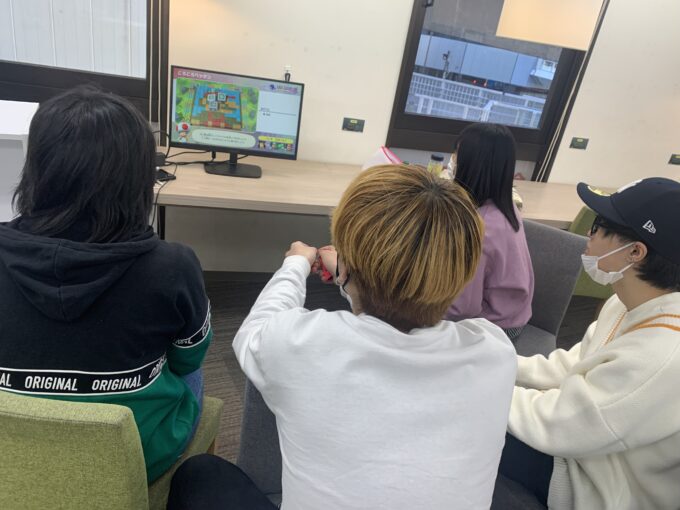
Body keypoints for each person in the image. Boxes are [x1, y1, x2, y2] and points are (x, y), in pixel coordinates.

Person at [168, 164, 517, 510]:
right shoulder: (496, 353)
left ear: (348, 264)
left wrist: (296, 263)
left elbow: (256, 328)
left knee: (199, 475)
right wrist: (349, 275)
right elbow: (403, 305)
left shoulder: (305, 346)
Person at [0, 86, 212, 482]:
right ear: (139, 177)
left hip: (10, 456)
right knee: (194, 369)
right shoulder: (173, 266)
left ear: (37, 168)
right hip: (131, 458)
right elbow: (188, 360)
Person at [497, 178, 680, 509]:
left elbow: (560, 423)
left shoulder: (662, 356)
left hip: (597, 486)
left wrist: (479, 387)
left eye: (598, 227)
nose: (588, 236)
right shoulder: (625, 303)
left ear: (635, 252)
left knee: (470, 429)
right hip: (585, 447)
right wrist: (499, 363)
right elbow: (572, 365)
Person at [444, 123, 534, 340]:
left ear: (472, 164)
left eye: (457, 154)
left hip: (495, 327)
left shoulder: (480, 227)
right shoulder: (504, 206)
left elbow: (462, 308)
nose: (452, 160)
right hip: (512, 313)